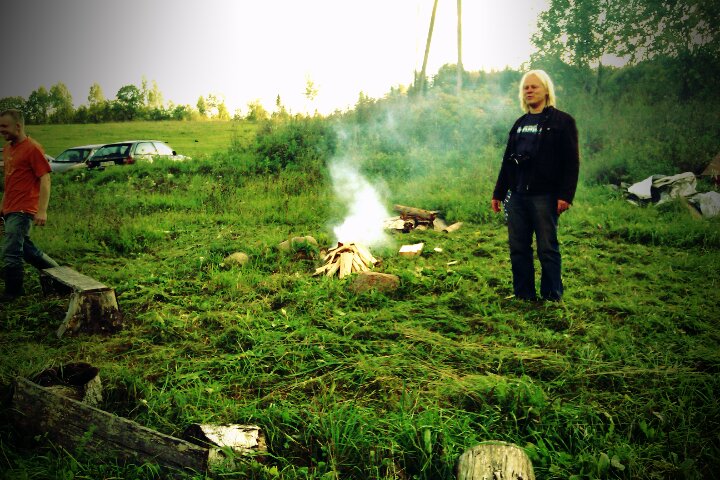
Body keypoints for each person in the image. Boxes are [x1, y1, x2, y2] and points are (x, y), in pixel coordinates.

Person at [491, 70, 579, 301]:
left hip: (545, 196)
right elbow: (507, 161)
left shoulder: (562, 122)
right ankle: (524, 294)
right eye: (525, 87)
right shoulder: (519, 124)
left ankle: (551, 296)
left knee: (547, 248)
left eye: (534, 86)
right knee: (518, 247)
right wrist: (499, 193)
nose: (529, 91)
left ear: (546, 90)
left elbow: (571, 162)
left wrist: (566, 195)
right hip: (517, 196)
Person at [0, 109, 59, 300]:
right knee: (27, 251)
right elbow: (10, 181)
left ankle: (14, 292)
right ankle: (60, 276)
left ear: (18, 126)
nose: (1, 130)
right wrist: (2, 207)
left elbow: (45, 178)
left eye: (4, 126)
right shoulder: (7, 149)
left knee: (11, 251)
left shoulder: (33, 148)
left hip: (23, 209)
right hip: (10, 208)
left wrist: (42, 210)